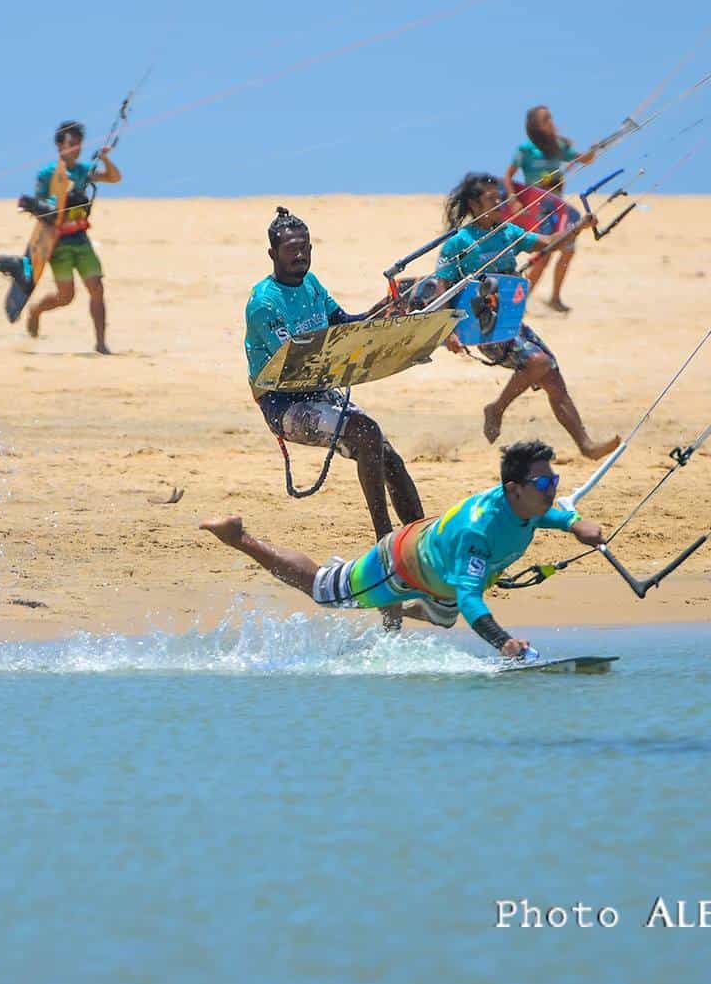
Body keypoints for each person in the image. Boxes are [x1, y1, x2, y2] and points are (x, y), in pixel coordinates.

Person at [200, 439, 605, 653]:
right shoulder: (479, 534)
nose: (553, 491)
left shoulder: (527, 503)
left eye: (554, 482)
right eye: (545, 484)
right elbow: (470, 598)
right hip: (400, 563)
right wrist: (505, 642)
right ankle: (240, 537)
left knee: (442, 618)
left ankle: (395, 607)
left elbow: (547, 514)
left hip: (438, 569)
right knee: (324, 590)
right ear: (514, 489)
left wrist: (576, 523)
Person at [246, 207, 423, 544]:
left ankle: (420, 537)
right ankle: (384, 541)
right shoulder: (264, 304)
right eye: (291, 249)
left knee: (388, 457)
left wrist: (386, 310)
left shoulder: (311, 284)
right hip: (284, 404)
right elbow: (295, 364)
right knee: (367, 433)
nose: (300, 255)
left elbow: (344, 324)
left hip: (320, 390)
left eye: (305, 247)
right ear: (273, 254)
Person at [437, 173, 618, 460]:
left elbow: (548, 242)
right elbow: (442, 290)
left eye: (500, 198)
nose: (499, 203)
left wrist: (578, 227)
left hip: (512, 322)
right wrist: (449, 333)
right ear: (473, 203)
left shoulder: (508, 233)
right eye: (491, 199)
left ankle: (586, 445)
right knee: (539, 362)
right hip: (485, 328)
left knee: (553, 377)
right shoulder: (458, 244)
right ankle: (496, 408)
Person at [23, 120, 122, 353]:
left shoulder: (83, 171)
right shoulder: (47, 174)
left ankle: (100, 343)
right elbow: (39, 206)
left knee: (97, 288)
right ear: (59, 145)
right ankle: (36, 310)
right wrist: (63, 200)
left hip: (80, 238)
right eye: (71, 144)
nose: (76, 148)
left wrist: (105, 158)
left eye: (79, 144)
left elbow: (114, 177)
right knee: (66, 297)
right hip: (58, 243)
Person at [504, 105, 605, 313]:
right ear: (535, 125)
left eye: (550, 118)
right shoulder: (525, 150)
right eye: (545, 119)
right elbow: (508, 176)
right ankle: (520, 303)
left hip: (558, 207)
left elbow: (584, 160)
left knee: (568, 250)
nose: (551, 122)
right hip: (538, 208)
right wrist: (513, 199)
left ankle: (555, 298)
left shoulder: (557, 147)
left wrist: (595, 149)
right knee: (544, 254)